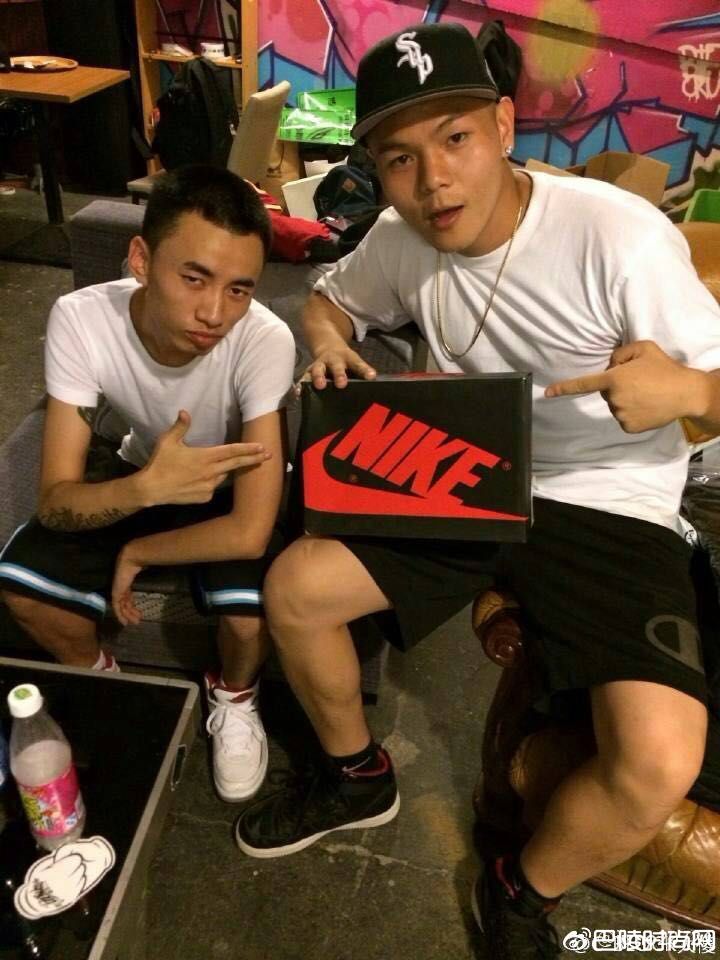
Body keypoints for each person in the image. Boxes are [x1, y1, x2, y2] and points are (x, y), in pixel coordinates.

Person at [231, 21, 720, 958]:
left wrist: (693, 393)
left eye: (454, 138)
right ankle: (357, 777)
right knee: (293, 590)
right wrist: (327, 341)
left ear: (501, 125)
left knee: (658, 760)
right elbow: (330, 298)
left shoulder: (618, 235)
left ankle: (520, 888)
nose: (434, 181)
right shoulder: (398, 236)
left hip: (608, 496)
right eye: (400, 158)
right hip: (467, 472)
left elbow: (712, 385)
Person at [0, 165, 296, 804]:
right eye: (194, 278)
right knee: (21, 590)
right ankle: (105, 680)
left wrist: (138, 551)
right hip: (141, 470)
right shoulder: (82, 318)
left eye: (239, 289)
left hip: (227, 483)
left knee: (251, 620)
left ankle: (234, 694)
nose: (214, 313)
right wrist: (145, 489)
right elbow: (56, 498)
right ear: (140, 259)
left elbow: (250, 530)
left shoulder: (264, 340)